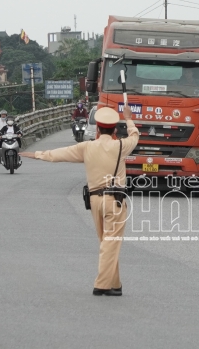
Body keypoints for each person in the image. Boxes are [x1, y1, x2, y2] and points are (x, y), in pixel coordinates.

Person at [22, 105, 139, 296]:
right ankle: (102, 284)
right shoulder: (121, 146)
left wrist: (36, 154)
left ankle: (115, 284)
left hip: (94, 201)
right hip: (115, 201)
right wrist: (128, 118)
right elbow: (135, 136)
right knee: (111, 241)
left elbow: (59, 154)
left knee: (106, 241)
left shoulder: (86, 147)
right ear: (115, 130)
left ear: (98, 129)